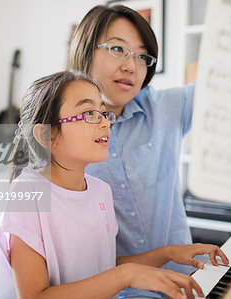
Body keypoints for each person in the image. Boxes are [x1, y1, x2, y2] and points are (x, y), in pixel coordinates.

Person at [0, 71, 228, 299]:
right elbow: (35, 296)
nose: (105, 123)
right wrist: (127, 275)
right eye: (89, 113)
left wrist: (169, 253)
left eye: (103, 113)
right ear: (47, 135)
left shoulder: (100, 192)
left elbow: (104, 269)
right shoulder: (27, 194)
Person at [69, 5, 202, 298]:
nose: (132, 66)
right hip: (112, 291)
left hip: (187, 281)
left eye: (143, 56)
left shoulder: (167, 108)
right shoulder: (59, 132)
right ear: (86, 49)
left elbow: (226, 88)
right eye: (118, 49)